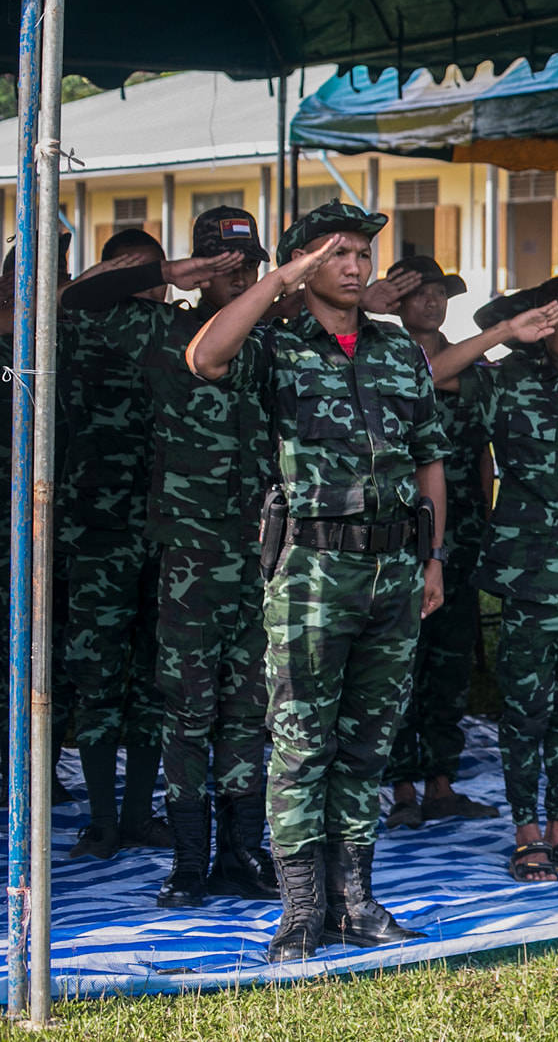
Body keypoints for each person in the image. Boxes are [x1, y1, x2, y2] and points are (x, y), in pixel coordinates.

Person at [187, 200, 451, 963]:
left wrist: (433, 557)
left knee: (369, 746)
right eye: (338, 253)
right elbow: (205, 357)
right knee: (303, 743)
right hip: (311, 571)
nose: (356, 265)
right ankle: (301, 911)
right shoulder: (275, 345)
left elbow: (429, 455)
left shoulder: (398, 351)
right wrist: (281, 280)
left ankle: (355, 901)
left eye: (363, 253)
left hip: (394, 568)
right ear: (306, 262)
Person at [59, 210, 275, 904]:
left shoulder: (272, 341)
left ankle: (243, 851)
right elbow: (75, 302)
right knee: (183, 706)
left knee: (247, 709)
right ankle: (187, 860)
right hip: (182, 552)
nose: (233, 275)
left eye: (245, 265)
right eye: (219, 264)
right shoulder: (160, 329)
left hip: (258, 553)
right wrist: (165, 273)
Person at [433, 277, 558, 881]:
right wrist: (502, 333)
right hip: (531, 573)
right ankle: (526, 833)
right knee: (526, 711)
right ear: (545, 326)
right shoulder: (507, 381)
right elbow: (432, 373)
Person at [57, 229, 174, 860]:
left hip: (163, 531)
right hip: (98, 533)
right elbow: (73, 299)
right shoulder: (79, 328)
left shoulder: (178, 333)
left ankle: (137, 814)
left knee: (154, 681)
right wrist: (119, 273)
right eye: (130, 273)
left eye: (150, 273)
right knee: (97, 677)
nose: (145, 283)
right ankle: (102, 819)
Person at [379, 255, 501, 829]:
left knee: (450, 662)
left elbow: (481, 450)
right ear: (397, 300)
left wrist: (485, 518)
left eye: (440, 293)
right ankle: (401, 787)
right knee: (400, 659)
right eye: (419, 293)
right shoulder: (383, 357)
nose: (431, 302)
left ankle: (441, 783)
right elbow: (425, 375)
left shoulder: (472, 367)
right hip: (402, 533)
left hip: (463, 533)